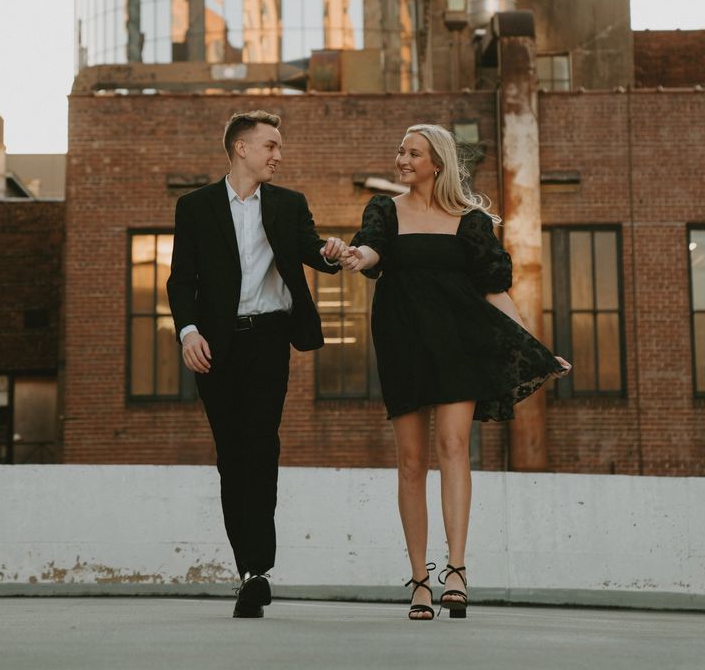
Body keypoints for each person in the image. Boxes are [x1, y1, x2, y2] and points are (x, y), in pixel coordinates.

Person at [341, 124, 571, 621]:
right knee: (410, 461)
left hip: (458, 345)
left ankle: (457, 572)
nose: (401, 159)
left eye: (412, 153)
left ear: (437, 163)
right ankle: (419, 581)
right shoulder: (384, 210)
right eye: (400, 150)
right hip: (402, 342)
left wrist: (533, 346)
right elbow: (373, 249)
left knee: (452, 449)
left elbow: (493, 290)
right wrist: (357, 256)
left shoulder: (470, 222)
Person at [167, 110, 347, 618]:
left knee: (262, 444)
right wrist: (188, 332)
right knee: (232, 454)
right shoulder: (196, 206)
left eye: (280, 146)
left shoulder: (290, 204)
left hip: (269, 339)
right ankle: (248, 569)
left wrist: (334, 251)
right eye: (270, 145)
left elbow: (312, 249)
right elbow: (181, 281)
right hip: (215, 346)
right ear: (241, 148)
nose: (278, 155)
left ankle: (258, 570)